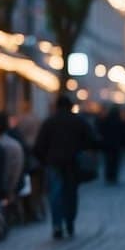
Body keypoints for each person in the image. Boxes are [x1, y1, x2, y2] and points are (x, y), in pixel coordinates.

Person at [33, 95, 95, 240]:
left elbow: (38, 146)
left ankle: (57, 225)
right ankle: (69, 221)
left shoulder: (49, 122)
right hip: (72, 162)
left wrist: (45, 160)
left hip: (54, 162)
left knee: (55, 194)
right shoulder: (78, 121)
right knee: (71, 193)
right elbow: (91, 140)